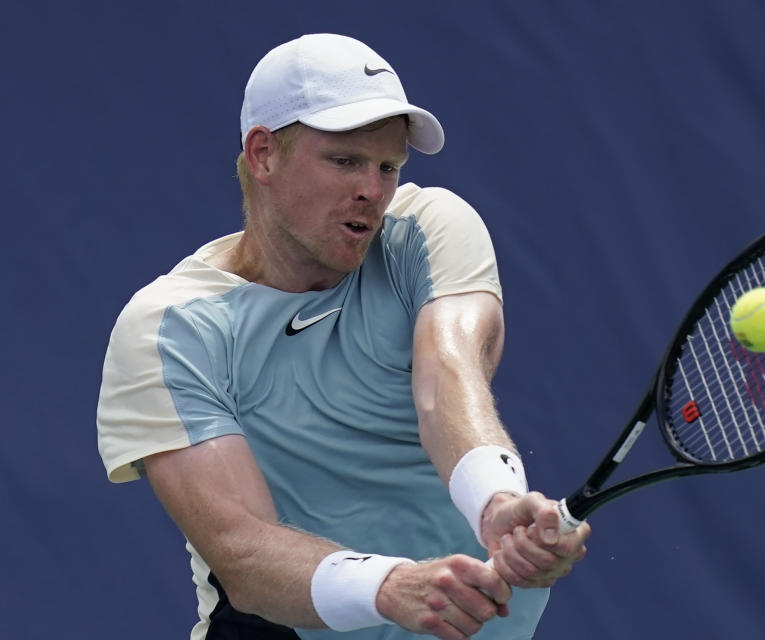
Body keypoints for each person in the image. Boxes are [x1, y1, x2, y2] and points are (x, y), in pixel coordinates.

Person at [96, 33, 589, 640]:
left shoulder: (425, 232)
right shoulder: (171, 330)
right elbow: (244, 552)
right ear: (264, 154)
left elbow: (447, 379)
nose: (373, 190)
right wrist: (391, 587)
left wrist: (495, 504)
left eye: (387, 167)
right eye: (345, 161)